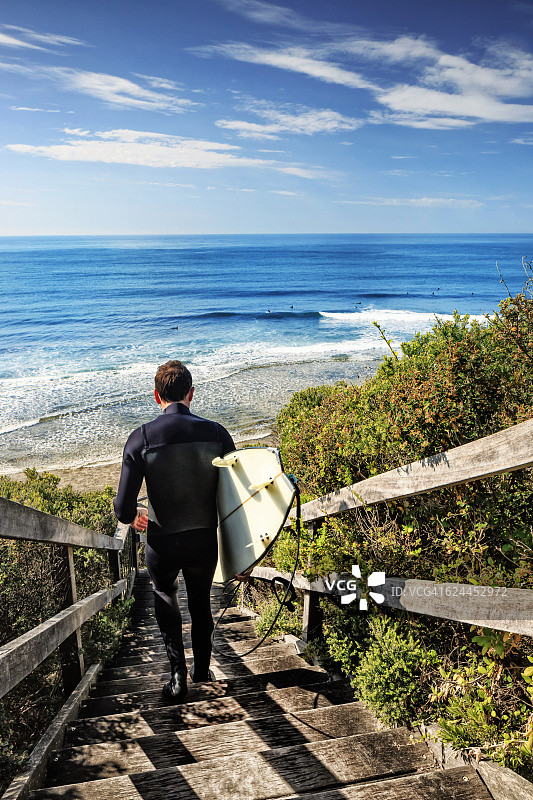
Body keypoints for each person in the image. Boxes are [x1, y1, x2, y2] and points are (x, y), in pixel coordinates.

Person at [113, 360, 235, 702]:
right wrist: (243, 551)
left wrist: (138, 513)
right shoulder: (217, 434)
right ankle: (202, 668)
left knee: (165, 595)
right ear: (191, 394)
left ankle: (178, 677)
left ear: (156, 396)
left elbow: (123, 510)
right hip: (202, 538)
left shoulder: (141, 439)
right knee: (200, 601)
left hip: (161, 541)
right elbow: (236, 496)